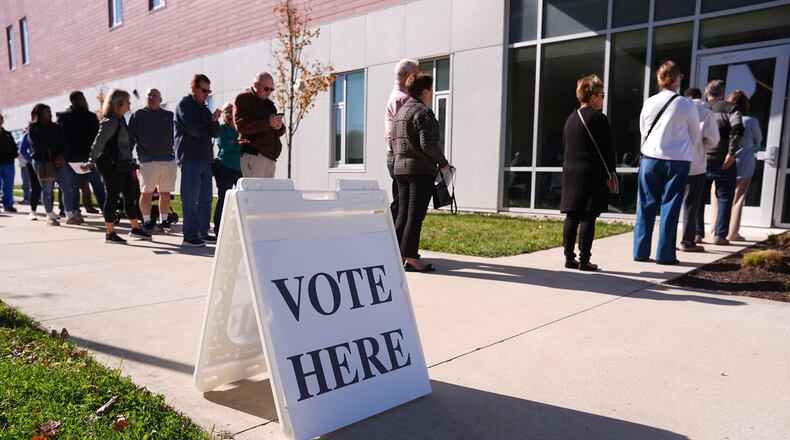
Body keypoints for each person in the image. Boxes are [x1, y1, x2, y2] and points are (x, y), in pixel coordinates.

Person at [634, 61, 700, 265]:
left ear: (659, 79)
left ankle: (640, 251)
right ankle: (665, 254)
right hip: (677, 160)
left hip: (651, 158)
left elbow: (643, 131)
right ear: (678, 78)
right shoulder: (687, 104)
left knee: (646, 205)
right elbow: (696, 136)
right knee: (670, 206)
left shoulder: (650, 101)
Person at [391, 72, 452, 273]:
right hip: (420, 171)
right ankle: (411, 258)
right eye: (431, 89)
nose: (432, 93)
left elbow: (393, 141)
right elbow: (428, 145)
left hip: (400, 169)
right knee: (415, 215)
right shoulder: (423, 113)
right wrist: (443, 164)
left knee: (402, 214)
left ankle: (397, 255)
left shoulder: (401, 112)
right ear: (425, 91)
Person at [560, 75, 616, 271]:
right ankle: (584, 260)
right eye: (601, 95)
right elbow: (608, 150)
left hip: (571, 172)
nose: (602, 99)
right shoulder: (599, 119)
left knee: (572, 215)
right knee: (587, 216)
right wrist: (611, 174)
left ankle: (569, 257)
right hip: (591, 173)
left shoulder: (570, 119)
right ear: (592, 96)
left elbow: (566, 146)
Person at [88, 88, 152, 244]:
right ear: (119, 103)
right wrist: (91, 160)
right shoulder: (110, 122)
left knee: (130, 196)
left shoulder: (121, 119)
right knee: (113, 197)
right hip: (111, 165)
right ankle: (110, 233)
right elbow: (98, 143)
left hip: (123, 164)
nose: (130, 104)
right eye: (127, 101)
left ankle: (135, 228)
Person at [175, 74, 221, 247]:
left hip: (205, 159)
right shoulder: (184, 105)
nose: (207, 94)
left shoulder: (204, 108)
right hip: (190, 159)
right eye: (204, 90)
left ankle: (202, 232)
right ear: (194, 89)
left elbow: (215, 133)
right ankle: (190, 236)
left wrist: (214, 122)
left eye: (209, 91)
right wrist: (209, 125)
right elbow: (194, 130)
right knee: (190, 198)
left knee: (206, 199)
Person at [696, 79, 743, 245]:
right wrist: (731, 153)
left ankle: (697, 233)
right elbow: (737, 129)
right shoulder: (731, 108)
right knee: (724, 198)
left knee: (698, 198)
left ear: (706, 92)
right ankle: (720, 235)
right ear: (722, 93)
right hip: (724, 160)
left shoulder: (699, 110)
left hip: (702, 160)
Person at [129, 88, 176, 233]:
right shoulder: (138, 115)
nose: (151, 97)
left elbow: (177, 136)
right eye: (148, 94)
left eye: (154, 95)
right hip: (147, 159)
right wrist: (128, 156)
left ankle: (164, 221)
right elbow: (131, 137)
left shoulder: (169, 116)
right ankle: (147, 221)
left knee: (165, 192)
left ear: (160, 100)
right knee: (146, 193)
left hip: (167, 159)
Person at [679, 87, 719, 253]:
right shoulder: (706, 113)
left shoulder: (678, 109)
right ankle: (687, 241)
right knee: (690, 204)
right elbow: (713, 141)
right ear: (700, 96)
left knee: (672, 203)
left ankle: (666, 242)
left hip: (675, 161)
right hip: (696, 164)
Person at [718, 90, 761, 241]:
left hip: (723, 160)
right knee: (738, 197)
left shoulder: (724, 117)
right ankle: (732, 233)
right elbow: (758, 141)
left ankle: (715, 231)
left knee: (719, 196)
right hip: (744, 162)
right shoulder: (751, 121)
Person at [57, 91, 104, 222]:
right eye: (79, 99)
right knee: (73, 187)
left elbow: (97, 137)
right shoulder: (64, 118)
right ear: (73, 101)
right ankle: (75, 211)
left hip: (89, 158)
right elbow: (61, 138)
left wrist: (96, 155)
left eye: (83, 98)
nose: (82, 101)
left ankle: (106, 210)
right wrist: (63, 155)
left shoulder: (90, 116)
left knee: (97, 185)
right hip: (71, 159)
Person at [28, 104, 75, 226]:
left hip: (59, 161)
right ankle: (50, 216)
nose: (50, 114)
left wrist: (61, 155)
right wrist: (54, 156)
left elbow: (65, 143)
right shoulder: (34, 128)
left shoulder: (57, 127)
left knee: (67, 188)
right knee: (47, 190)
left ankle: (69, 215)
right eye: (46, 112)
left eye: (50, 111)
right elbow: (38, 146)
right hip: (43, 162)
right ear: (39, 114)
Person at [385, 59, 420, 221]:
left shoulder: (398, 97)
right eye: (416, 73)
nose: (418, 77)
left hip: (397, 157)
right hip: (401, 157)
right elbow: (408, 134)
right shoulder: (403, 100)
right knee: (403, 209)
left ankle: (395, 242)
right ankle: (393, 242)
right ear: (407, 76)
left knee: (402, 206)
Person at [234, 72, 284, 178]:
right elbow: (241, 126)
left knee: (266, 194)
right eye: (266, 88)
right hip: (254, 155)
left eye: (272, 89)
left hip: (270, 156)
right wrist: (268, 123)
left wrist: (279, 126)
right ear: (255, 85)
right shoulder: (244, 99)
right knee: (254, 193)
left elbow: (275, 129)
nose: (269, 92)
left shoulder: (269, 105)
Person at [213, 102, 242, 234]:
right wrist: (237, 144)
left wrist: (234, 143)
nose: (229, 114)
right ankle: (219, 229)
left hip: (240, 169)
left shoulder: (240, 128)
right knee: (223, 198)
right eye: (226, 111)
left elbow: (244, 145)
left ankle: (239, 229)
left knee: (242, 199)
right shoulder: (221, 129)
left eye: (232, 111)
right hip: (224, 168)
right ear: (222, 114)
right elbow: (224, 145)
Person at [19, 131, 41, 220]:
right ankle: (33, 211)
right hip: (32, 164)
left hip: (47, 163)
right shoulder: (28, 134)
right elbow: (22, 149)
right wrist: (31, 160)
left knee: (48, 188)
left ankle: (50, 212)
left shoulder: (49, 130)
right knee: (35, 187)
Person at [0, 113, 18, 213]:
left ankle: (8, 205)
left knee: (8, 185)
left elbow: (13, 146)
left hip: (8, 163)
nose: (0, 120)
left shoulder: (8, 134)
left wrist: (14, 154)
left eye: (1, 118)